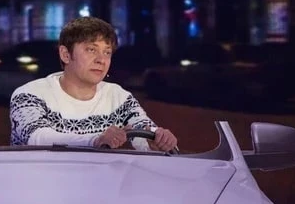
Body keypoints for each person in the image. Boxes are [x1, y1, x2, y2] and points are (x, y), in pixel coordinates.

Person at [9, 17, 177, 152]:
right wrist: (95, 140)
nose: (101, 60)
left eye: (107, 52)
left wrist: (155, 141)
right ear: (65, 54)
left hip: (97, 183)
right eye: (91, 50)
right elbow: (37, 137)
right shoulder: (29, 95)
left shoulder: (119, 97)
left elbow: (142, 129)